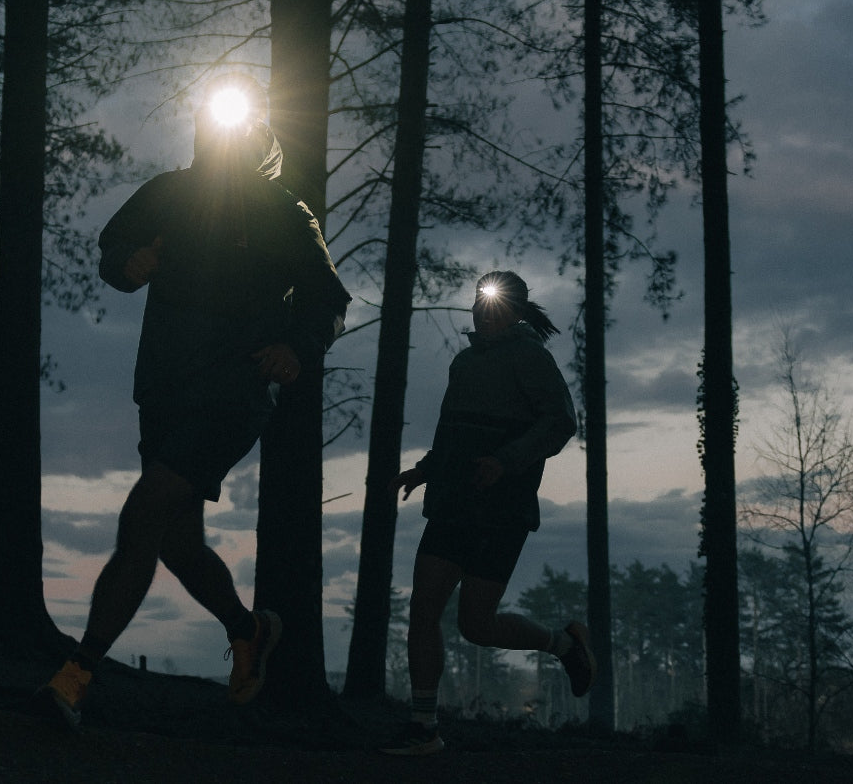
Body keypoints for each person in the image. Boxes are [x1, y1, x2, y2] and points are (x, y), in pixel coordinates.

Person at [38, 76, 350, 728]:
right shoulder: (167, 194)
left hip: (234, 392)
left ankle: (77, 674)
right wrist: (129, 262)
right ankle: (249, 630)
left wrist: (295, 345)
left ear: (260, 137)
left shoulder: (284, 212)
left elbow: (327, 299)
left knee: (147, 505)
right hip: (166, 386)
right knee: (176, 543)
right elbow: (113, 248)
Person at [377, 271, 593, 756]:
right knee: (423, 608)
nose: (483, 309)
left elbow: (560, 422)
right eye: (478, 300)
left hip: (502, 509)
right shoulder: (464, 362)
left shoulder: (530, 357)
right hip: (453, 504)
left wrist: (506, 461)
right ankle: (423, 726)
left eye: (494, 302)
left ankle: (565, 645)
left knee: (475, 624)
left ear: (515, 310)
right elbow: (450, 431)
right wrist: (425, 469)